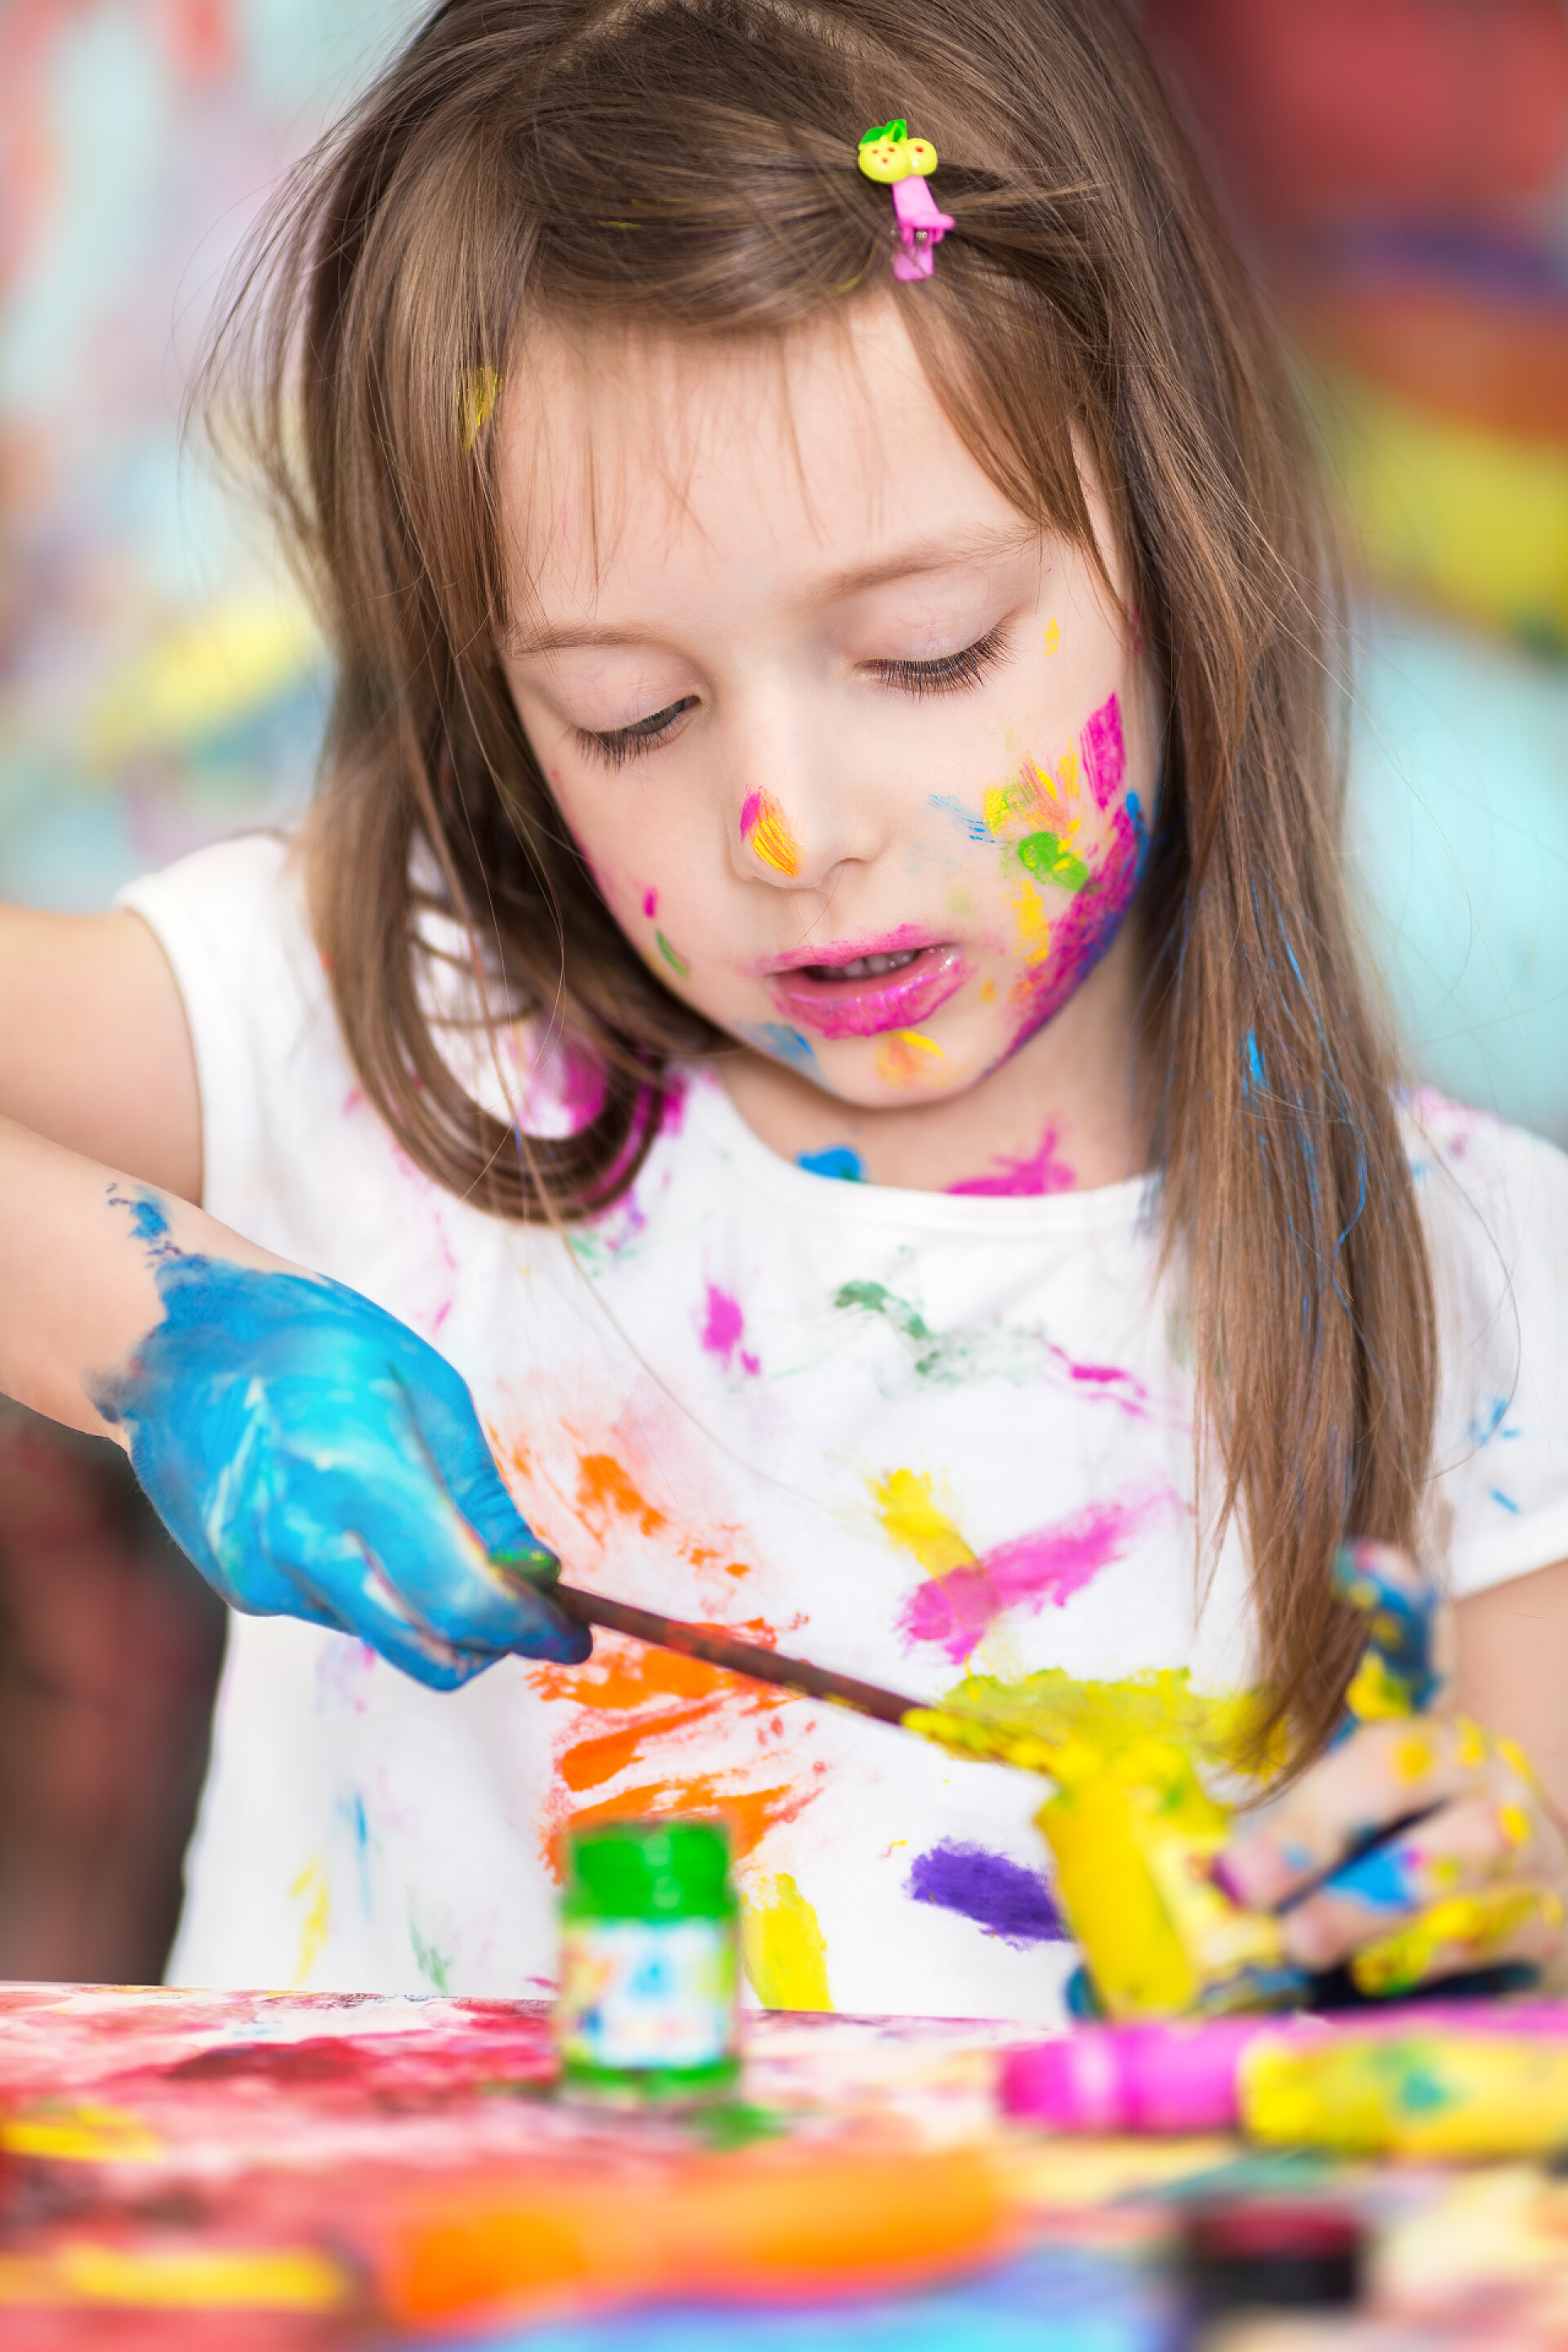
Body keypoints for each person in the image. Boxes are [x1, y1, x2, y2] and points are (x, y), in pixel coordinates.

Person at [1, 0, 1565, 2020]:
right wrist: (148, 1321)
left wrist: (1498, 1923)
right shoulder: (387, 1043)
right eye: (629, 714)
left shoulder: (1484, 1300)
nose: (791, 829)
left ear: (1176, 544)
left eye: (929, 654)